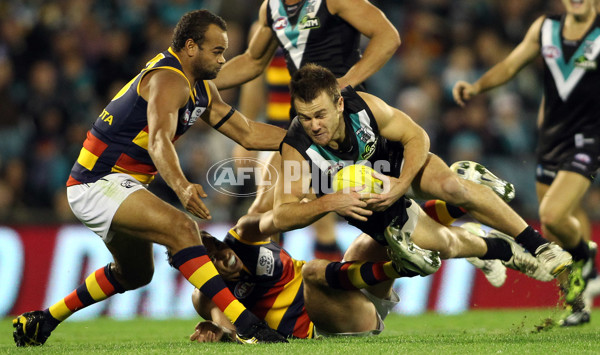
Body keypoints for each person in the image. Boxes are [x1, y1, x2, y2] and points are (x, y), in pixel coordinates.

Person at [11, 10, 289, 347]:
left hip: (118, 185)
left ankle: (45, 319)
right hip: (98, 182)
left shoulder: (201, 88)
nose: (223, 59)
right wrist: (182, 185)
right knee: (183, 229)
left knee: (137, 274)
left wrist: (303, 138)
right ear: (190, 47)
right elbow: (158, 140)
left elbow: (247, 133)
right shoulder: (168, 79)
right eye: (217, 51)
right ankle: (247, 325)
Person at [273, 64, 573, 289]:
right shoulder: (297, 148)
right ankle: (498, 248)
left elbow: (416, 137)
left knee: (451, 186)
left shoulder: (363, 107)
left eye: (320, 115)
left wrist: (401, 184)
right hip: (369, 202)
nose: (314, 125)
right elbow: (282, 216)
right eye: (305, 117)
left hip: (396, 164)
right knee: (445, 246)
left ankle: (540, 246)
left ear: (339, 104)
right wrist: (329, 203)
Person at [216, 0, 401, 260]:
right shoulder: (270, 9)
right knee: (267, 209)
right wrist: (196, 79)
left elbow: (388, 36)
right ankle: (265, 282)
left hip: (345, 123)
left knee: (363, 215)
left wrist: (342, 86)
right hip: (300, 128)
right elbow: (253, 63)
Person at [452, 0, 599, 326]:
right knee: (552, 228)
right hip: (551, 138)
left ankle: (586, 261)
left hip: (589, 137)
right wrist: (477, 86)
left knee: (553, 213)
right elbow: (510, 65)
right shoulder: (546, 28)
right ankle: (579, 306)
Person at [187, 210, 438, 341]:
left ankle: (458, 218)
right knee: (312, 271)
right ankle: (398, 268)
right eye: (212, 260)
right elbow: (234, 330)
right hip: (328, 327)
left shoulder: (245, 235)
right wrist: (217, 330)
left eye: (218, 245)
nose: (224, 255)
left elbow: (276, 217)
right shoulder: (208, 295)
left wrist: (327, 198)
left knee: (384, 232)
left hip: (349, 295)